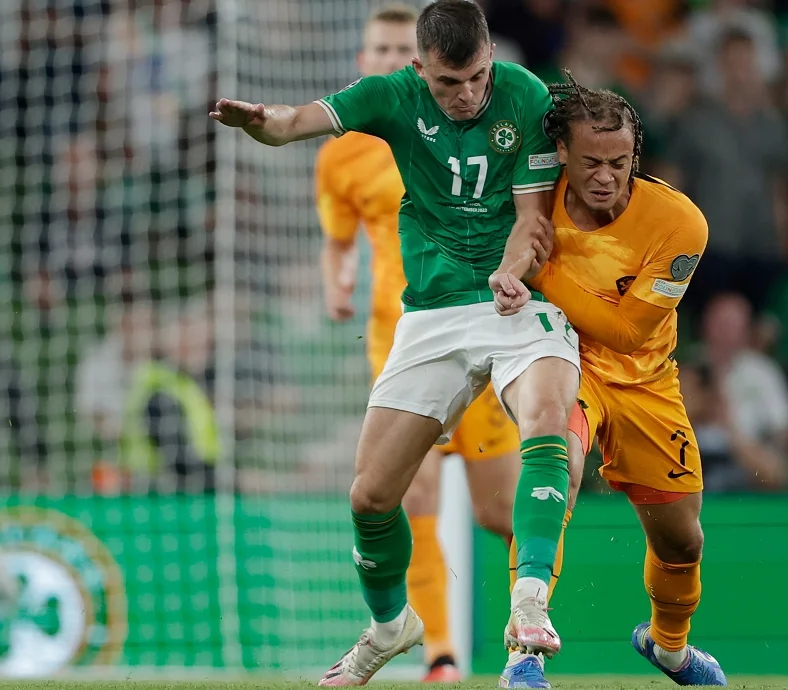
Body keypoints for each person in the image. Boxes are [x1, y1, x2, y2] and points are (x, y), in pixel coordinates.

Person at [210, 1, 581, 685]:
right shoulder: (390, 97)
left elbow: (533, 217)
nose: (466, 95)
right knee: (370, 497)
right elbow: (295, 122)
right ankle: (392, 628)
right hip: (430, 315)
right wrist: (263, 122)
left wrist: (510, 271)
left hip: (515, 302)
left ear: (491, 57)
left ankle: (530, 605)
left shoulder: (525, 95)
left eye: (477, 77)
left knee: (548, 419)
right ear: (420, 69)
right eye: (449, 83)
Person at [312, 4, 540, 682]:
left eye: (396, 50)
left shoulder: (457, 126)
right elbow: (337, 240)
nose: (387, 61)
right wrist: (336, 281)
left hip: (482, 330)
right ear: (366, 62)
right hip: (403, 342)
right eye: (377, 51)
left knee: (500, 509)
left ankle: (525, 639)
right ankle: (439, 655)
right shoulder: (344, 153)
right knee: (410, 499)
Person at [491, 78, 726, 687]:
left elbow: (626, 332)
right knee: (557, 470)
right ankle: (522, 654)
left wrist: (543, 274)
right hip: (564, 359)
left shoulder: (679, 225)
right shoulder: (533, 197)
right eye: (591, 162)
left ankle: (669, 649)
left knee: (682, 542)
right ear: (562, 154)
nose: (605, 177)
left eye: (619, 163)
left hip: (646, 380)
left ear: (635, 157)